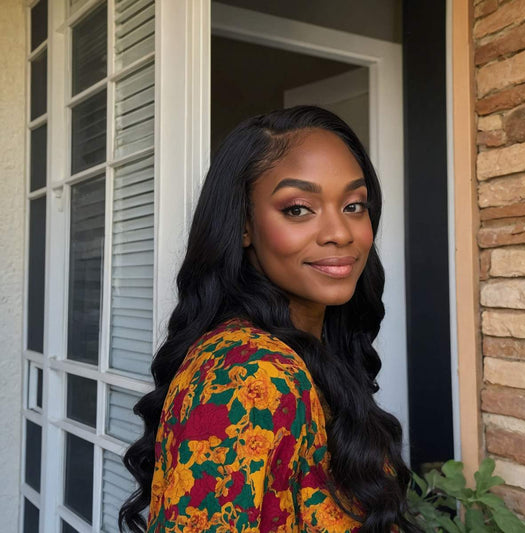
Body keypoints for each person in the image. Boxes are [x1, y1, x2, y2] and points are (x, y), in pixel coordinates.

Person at [119, 106, 418, 532]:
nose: (341, 232)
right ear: (243, 225)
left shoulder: (306, 352)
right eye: (299, 209)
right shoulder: (250, 377)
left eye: (354, 205)